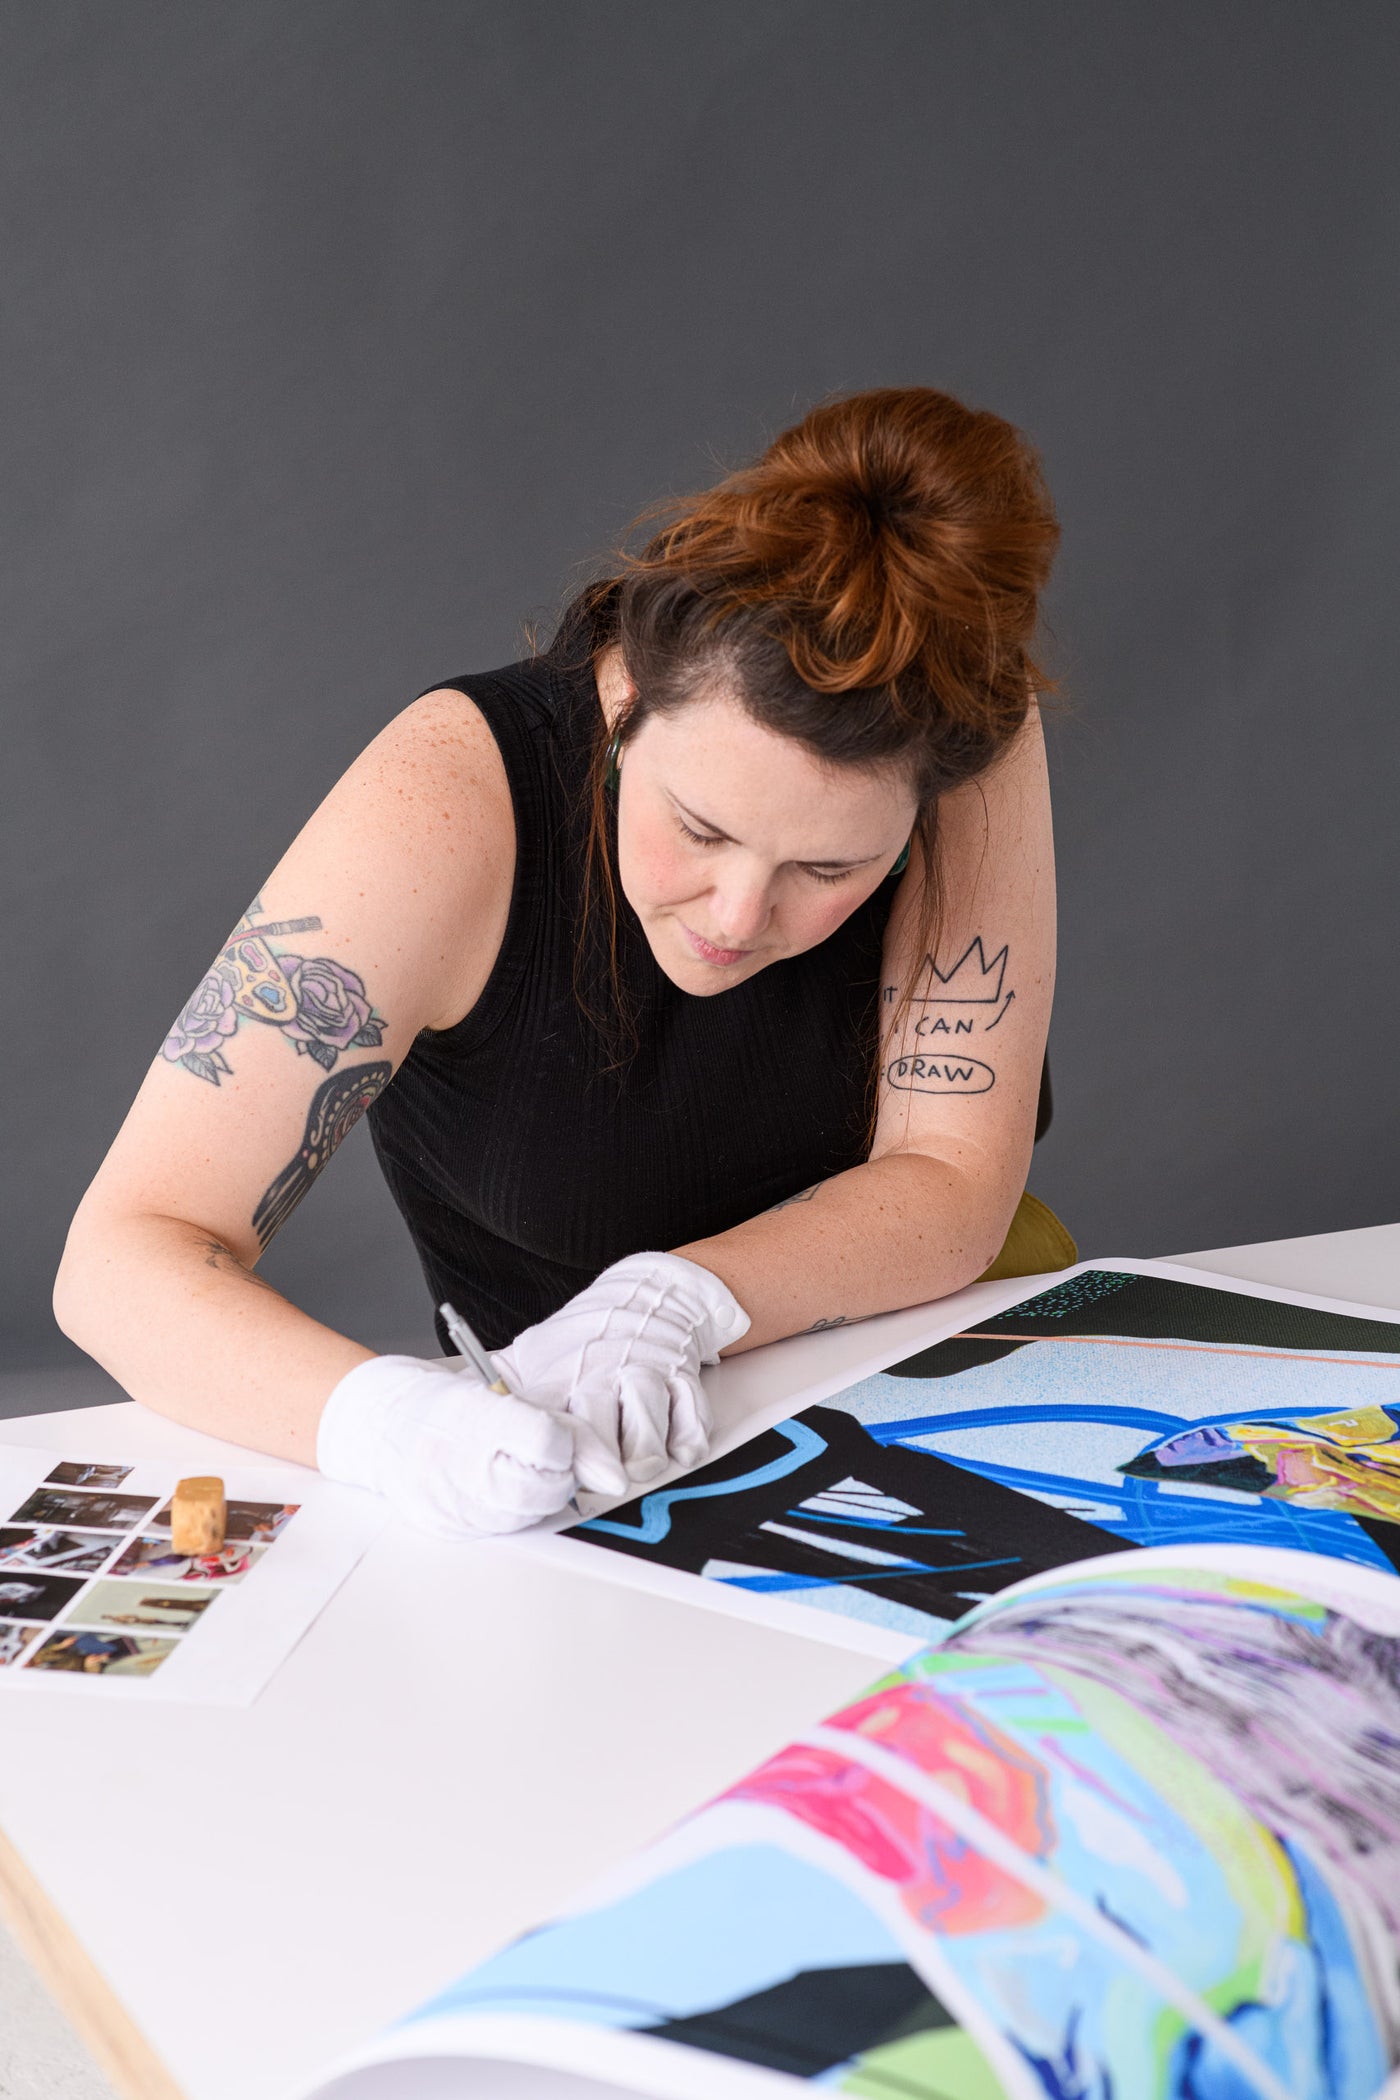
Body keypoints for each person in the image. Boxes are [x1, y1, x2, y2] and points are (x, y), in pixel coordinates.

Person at [54, 386, 1064, 1539]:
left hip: (926, 1379)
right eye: (700, 829)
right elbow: (121, 1258)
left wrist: (684, 1299)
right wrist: (388, 1424)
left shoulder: (954, 731)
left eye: (829, 870)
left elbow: (951, 1176)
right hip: (568, 1466)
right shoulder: (444, 804)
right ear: (627, 692)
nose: (739, 915)